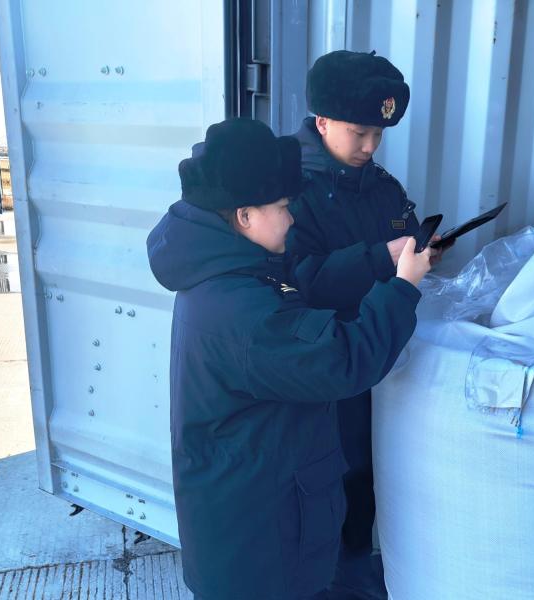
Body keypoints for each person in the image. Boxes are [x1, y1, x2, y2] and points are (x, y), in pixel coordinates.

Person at [146, 118, 431, 600]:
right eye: (282, 207)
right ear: (244, 216)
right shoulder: (243, 310)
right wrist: (403, 288)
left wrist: (382, 258)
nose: (293, 219)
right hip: (261, 550)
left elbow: (302, 284)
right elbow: (342, 362)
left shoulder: (227, 272)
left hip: (251, 524)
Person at [285, 50, 433, 599]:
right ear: (322, 121)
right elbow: (294, 282)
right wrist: (377, 259)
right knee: (330, 478)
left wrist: (421, 250)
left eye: (379, 134)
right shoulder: (289, 192)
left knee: (372, 472)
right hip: (325, 364)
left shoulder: (381, 185)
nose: (370, 146)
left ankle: (354, 571)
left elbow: (403, 229)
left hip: (378, 354)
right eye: (360, 132)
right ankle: (326, 582)